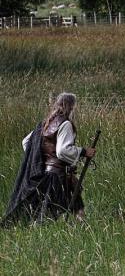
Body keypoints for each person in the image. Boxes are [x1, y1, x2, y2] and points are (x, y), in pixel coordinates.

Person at [2, 93, 96, 225]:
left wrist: (40, 160)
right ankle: (75, 229)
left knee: (76, 205)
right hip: (59, 176)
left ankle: (81, 229)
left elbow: (26, 143)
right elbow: (62, 151)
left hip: (49, 174)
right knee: (51, 212)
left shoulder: (45, 123)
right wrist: (84, 151)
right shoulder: (65, 124)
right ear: (71, 107)